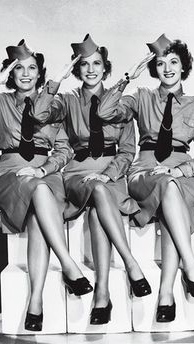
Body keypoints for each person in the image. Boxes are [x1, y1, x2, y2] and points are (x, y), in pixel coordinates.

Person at [33, 34, 155, 325]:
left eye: (97, 63)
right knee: (97, 190)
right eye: (84, 65)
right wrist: (56, 81)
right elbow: (39, 114)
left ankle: (102, 293)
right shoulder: (67, 100)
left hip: (111, 175)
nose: (90, 69)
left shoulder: (120, 103)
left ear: (105, 67)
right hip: (78, 173)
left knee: (100, 199)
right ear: (77, 69)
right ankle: (130, 263)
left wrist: (108, 173)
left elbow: (127, 152)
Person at [96, 34, 194, 322]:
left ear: (184, 67)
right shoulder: (142, 98)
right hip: (144, 172)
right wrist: (128, 77)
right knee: (165, 186)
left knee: (171, 187)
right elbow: (104, 111)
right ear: (155, 69)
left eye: (174, 62)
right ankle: (189, 268)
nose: (168, 68)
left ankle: (166, 294)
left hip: (180, 173)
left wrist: (180, 170)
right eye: (161, 64)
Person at [0, 39, 93, 332]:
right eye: (19, 68)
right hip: (11, 173)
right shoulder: (0, 102)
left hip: (46, 172)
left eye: (32, 67)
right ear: (11, 73)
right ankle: (69, 265)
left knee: (38, 206)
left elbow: (64, 150)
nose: (26, 73)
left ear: (40, 73)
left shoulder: (54, 106)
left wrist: (43, 168)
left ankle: (35, 302)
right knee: (37, 189)